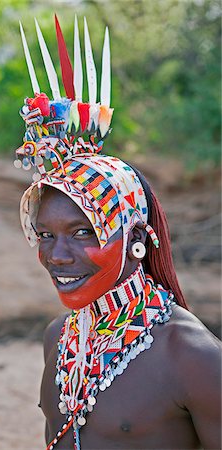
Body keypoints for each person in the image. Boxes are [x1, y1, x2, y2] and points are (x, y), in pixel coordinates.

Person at [15, 16, 221, 449]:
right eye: (46, 235)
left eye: (83, 232)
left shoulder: (193, 357)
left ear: (136, 238)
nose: (58, 256)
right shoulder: (61, 337)